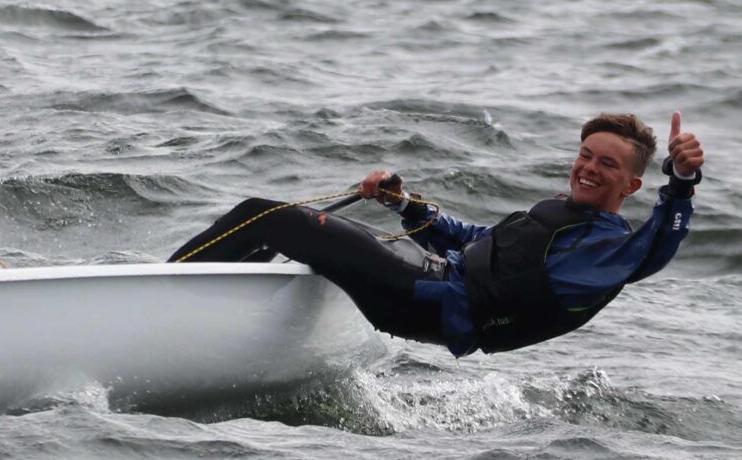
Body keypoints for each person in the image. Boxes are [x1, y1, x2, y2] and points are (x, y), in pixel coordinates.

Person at [170, 112, 703, 356]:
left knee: (268, 216)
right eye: (585, 155)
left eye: (606, 164)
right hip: (427, 282)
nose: (588, 168)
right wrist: (404, 204)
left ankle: (162, 299)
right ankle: (210, 312)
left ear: (632, 184)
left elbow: (657, 247)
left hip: (427, 297)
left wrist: (680, 183)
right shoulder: (562, 217)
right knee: (290, 236)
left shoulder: (612, 250)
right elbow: (473, 241)